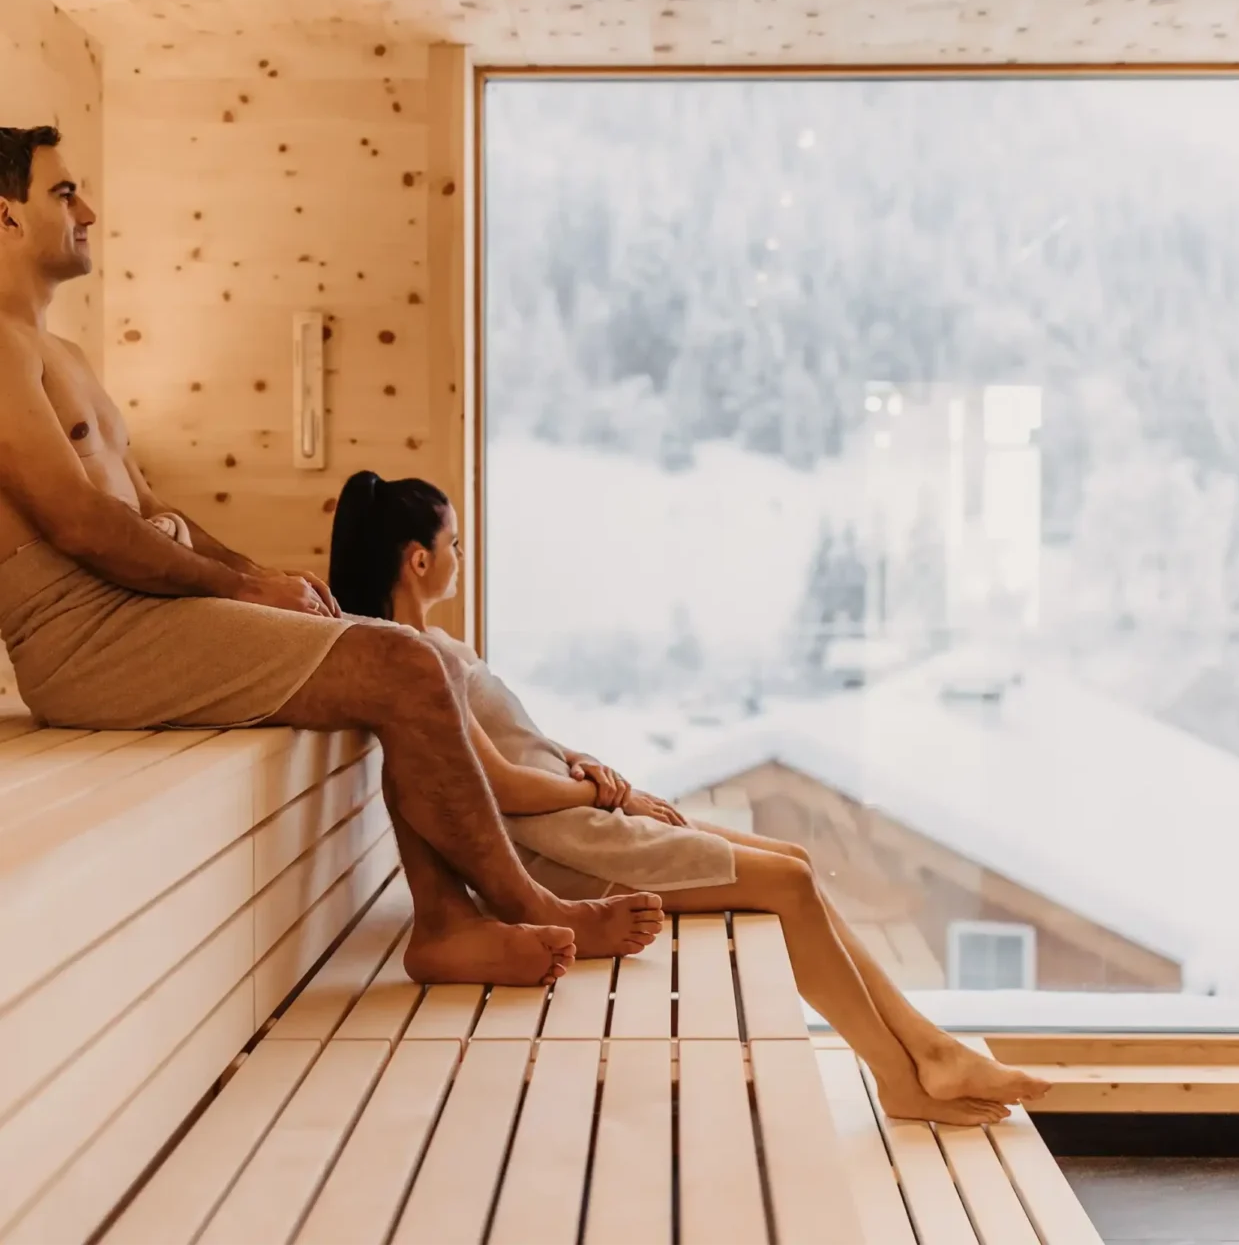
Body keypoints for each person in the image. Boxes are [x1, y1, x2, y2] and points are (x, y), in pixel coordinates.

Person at [0, 124, 666, 990]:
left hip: (138, 618)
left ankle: (444, 922)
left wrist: (274, 583)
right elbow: (80, 524)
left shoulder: (62, 355)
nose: (89, 210)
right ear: (6, 216)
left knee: (404, 662)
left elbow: (157, 513)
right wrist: (248, 587)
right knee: (402, 663)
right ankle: (530, 904)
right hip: (84, 640)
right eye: (62, 193)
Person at [327, 469, 1053, 1125]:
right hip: (565, 853)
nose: (462, 555)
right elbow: (503, 789)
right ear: (419, 559)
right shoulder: (416, 662)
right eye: (454, 542)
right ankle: (900, 1075)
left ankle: (930, 1048)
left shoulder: (430, 651)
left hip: (579, 822)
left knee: (792, 858)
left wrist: (586, 765)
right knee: (792, 884)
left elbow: (513, 748)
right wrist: (605, 796)